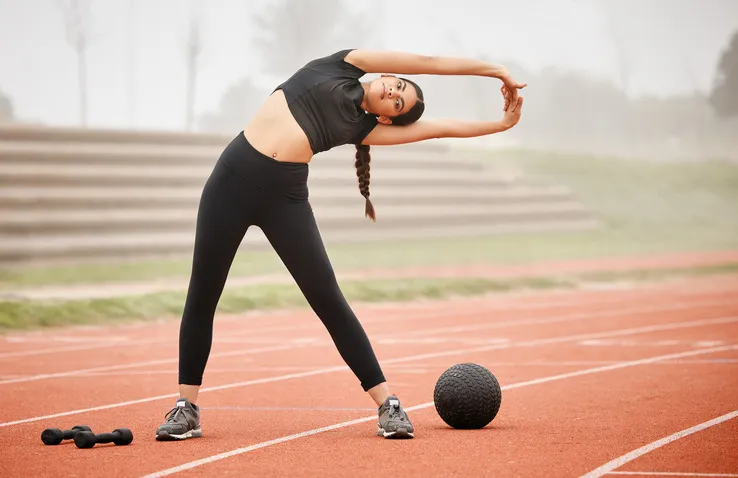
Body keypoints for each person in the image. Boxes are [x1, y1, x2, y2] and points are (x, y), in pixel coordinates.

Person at [155, 48, 526, 441]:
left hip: (285, 199)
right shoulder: (343, 63)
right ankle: (186, 408)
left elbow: (439, 128)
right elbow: (433, 63)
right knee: (202, 295)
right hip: (229, 183)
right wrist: (497, 70)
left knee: (328, 299)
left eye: (398, 102)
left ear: (387, 117)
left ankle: (388, 405)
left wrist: (500, 125)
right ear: (386, 75)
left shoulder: (362, 127)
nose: (392, 93)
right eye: (396, 84)